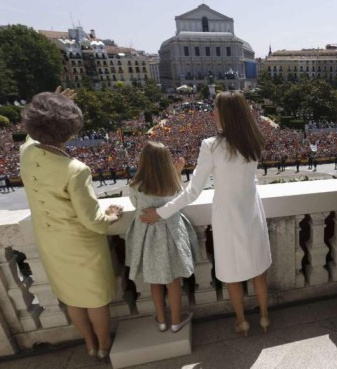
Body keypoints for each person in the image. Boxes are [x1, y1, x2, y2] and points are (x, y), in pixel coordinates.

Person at [140, 91, 272, 336]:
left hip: (227, 217)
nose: (212, 114)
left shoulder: (211, 146)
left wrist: (161, 212)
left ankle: (242, 321)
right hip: (252, 211)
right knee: (258, 271)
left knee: (232, 275)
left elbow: (193, 192)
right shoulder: (255, 141)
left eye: (216, 109)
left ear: (226, 114)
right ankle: (264, 317)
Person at [20, 91, 122, 361]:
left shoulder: (26, 151)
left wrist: (50, 102)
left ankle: (89, 344)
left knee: (73, 298)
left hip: (51, 243)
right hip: (80, 245)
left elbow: (33, 134)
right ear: (71, 128)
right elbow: (94, 221)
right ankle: (103, 345)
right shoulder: (75, 169)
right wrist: (111, 215)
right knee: (95, 299)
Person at [125, 141, 198, 333]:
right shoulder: (172, 184)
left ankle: (161, 320)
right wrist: (177, 174)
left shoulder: (136, 186)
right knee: (173, 281)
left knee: (154, 281)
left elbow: (135, 205)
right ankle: (175, 321)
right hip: (171, 235)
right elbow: (178, 202)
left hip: (148, 238)